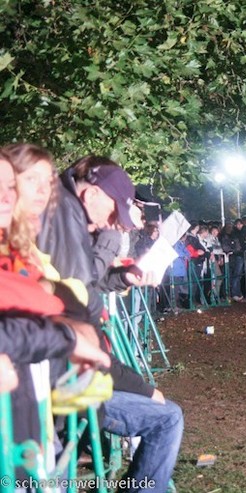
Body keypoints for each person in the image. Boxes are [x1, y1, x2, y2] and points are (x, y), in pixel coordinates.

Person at [35, 154, 183, 493]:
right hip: (65, 371)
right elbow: (77, 289)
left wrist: (125, 277)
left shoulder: (70, 214)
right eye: (114, 212)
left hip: (69, 366)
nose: (113, 222)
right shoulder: (62, 216)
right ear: (91, 194)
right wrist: (107, 242)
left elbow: (85, 285)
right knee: (165, 416)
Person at [0, 150, 111, 481]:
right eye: (29, 180)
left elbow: (60, 300)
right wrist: (65, 331)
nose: (7, 196)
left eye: (9, 186)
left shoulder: (22, 250)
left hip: (32, 420)